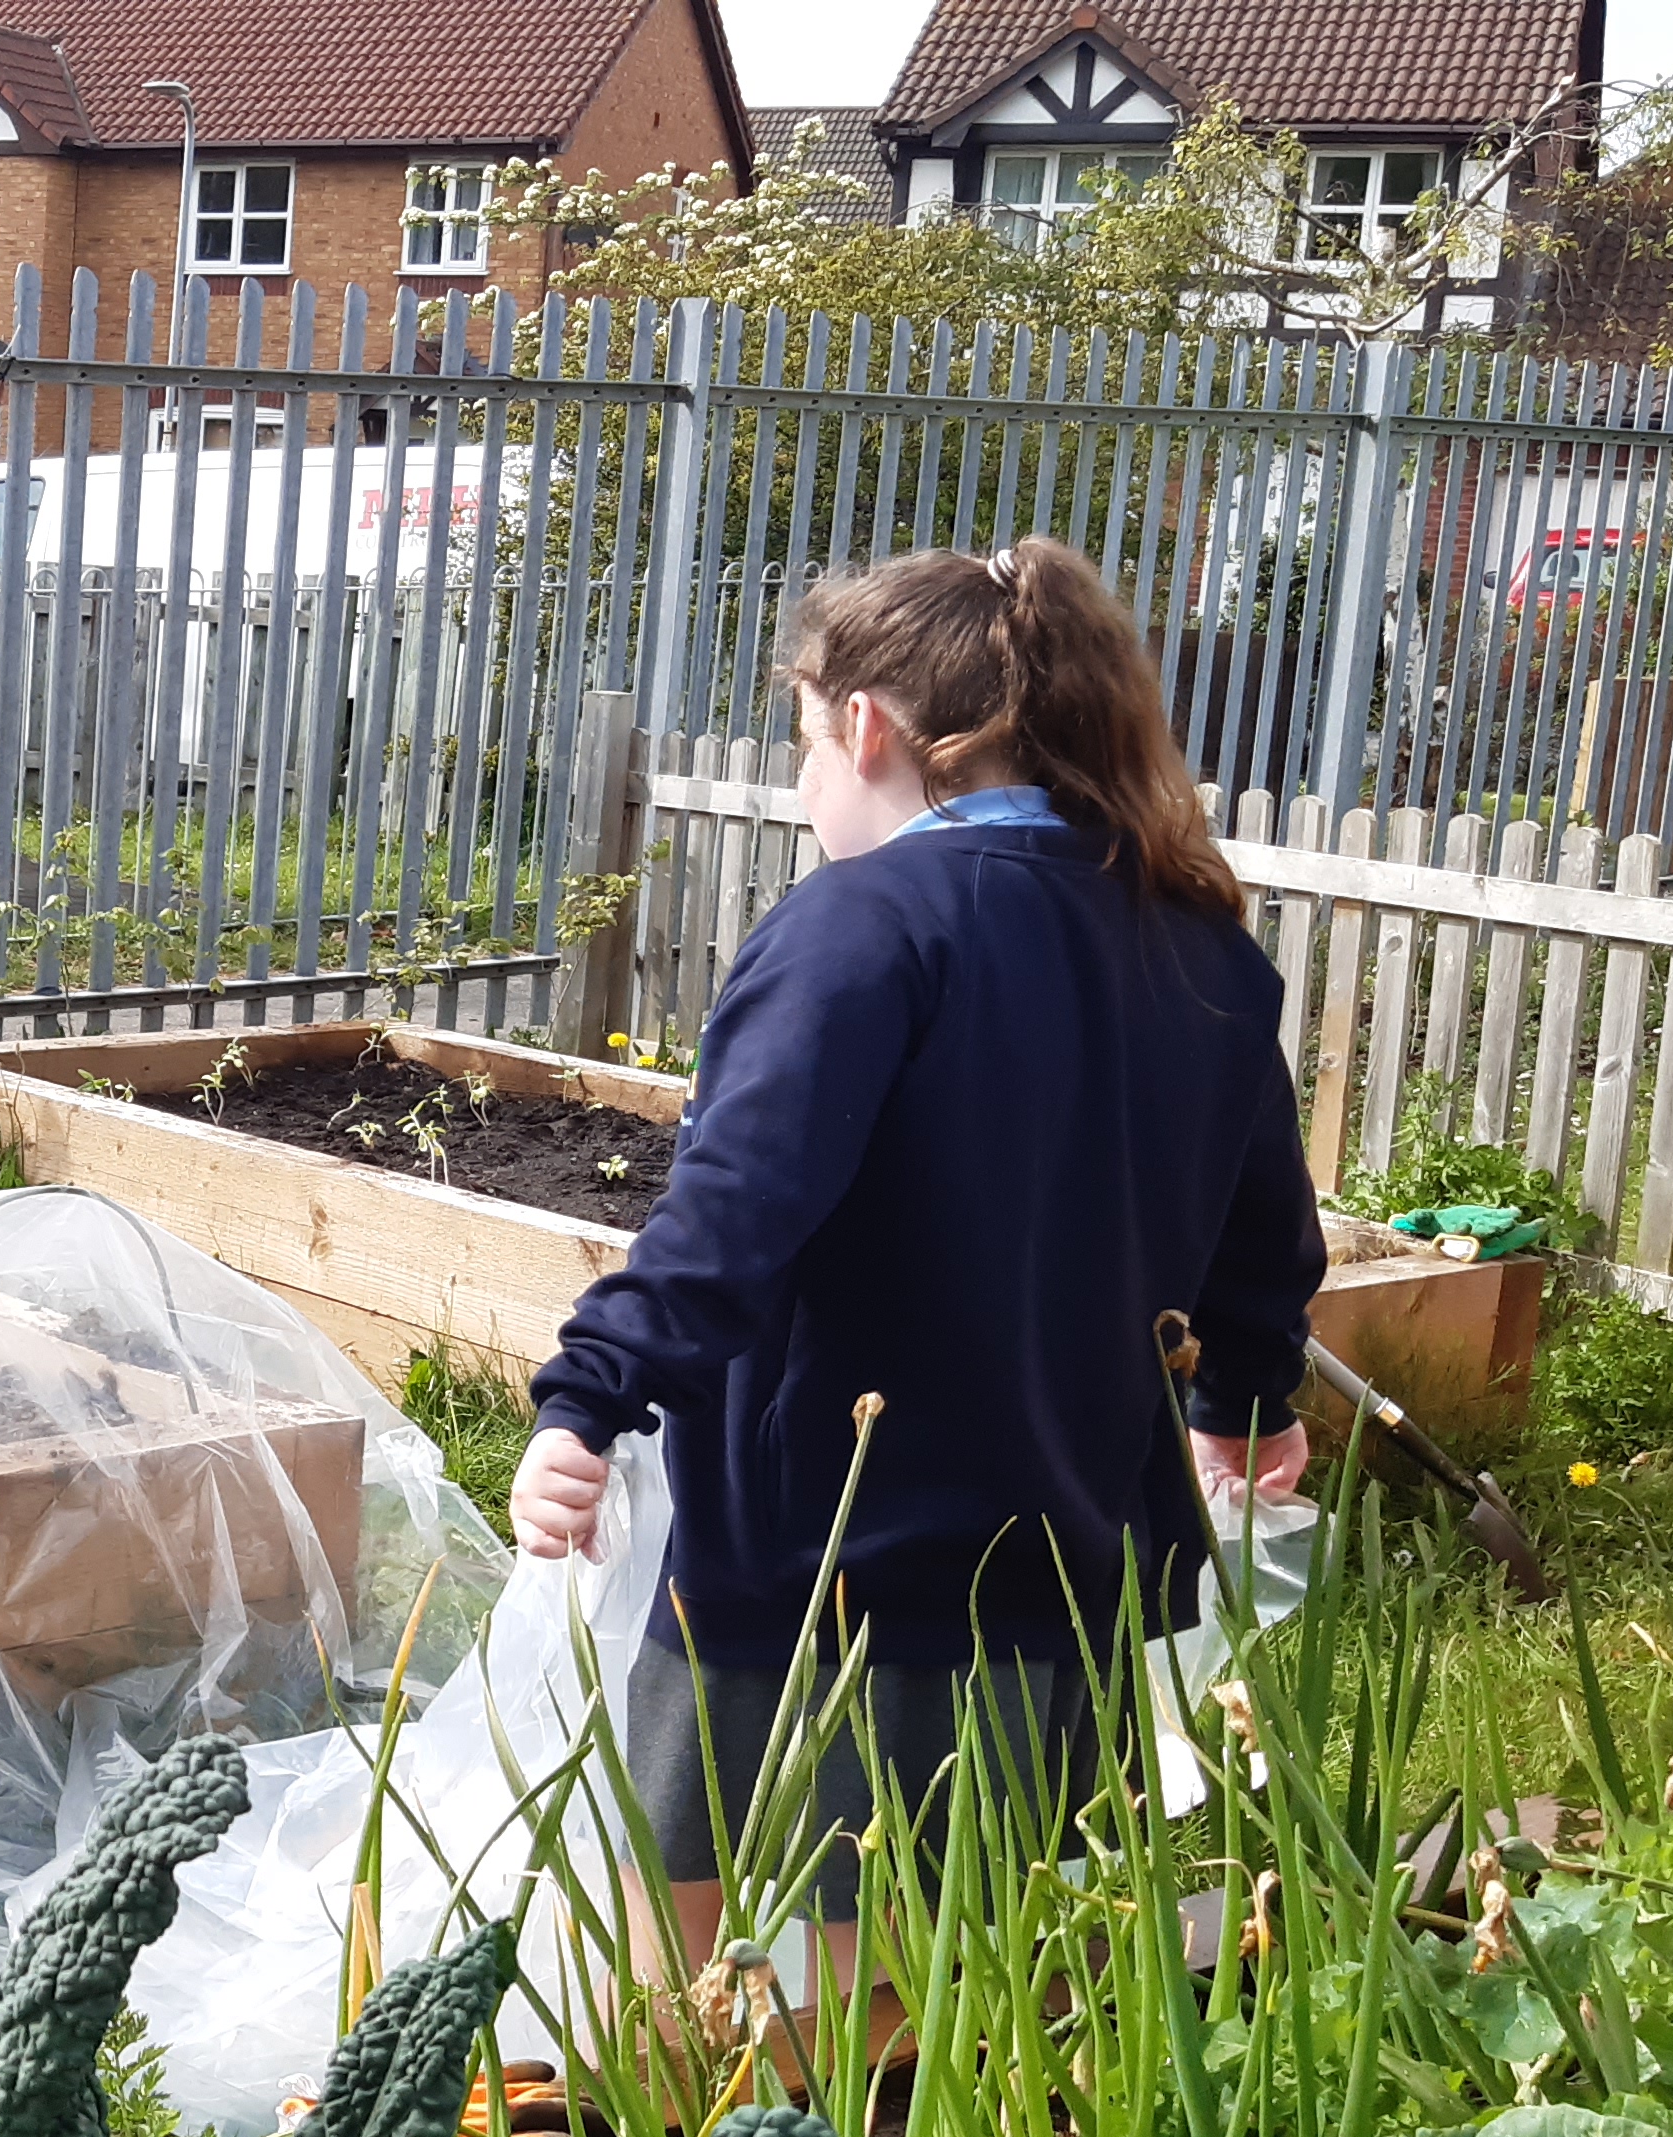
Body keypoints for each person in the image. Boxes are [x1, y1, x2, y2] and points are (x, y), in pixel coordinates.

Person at [504, 536, 1325, 2003]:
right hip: (1063, 1561)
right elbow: (1264, 1230)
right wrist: (1248, 1400)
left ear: (866, 725)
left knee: (697, 1952)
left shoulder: (862, 928)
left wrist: (588, 1402)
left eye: (804, 742)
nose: (805, 784)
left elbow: (735, 1216)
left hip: (827, 1560)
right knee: (964, 1973)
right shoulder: (1193, 940)